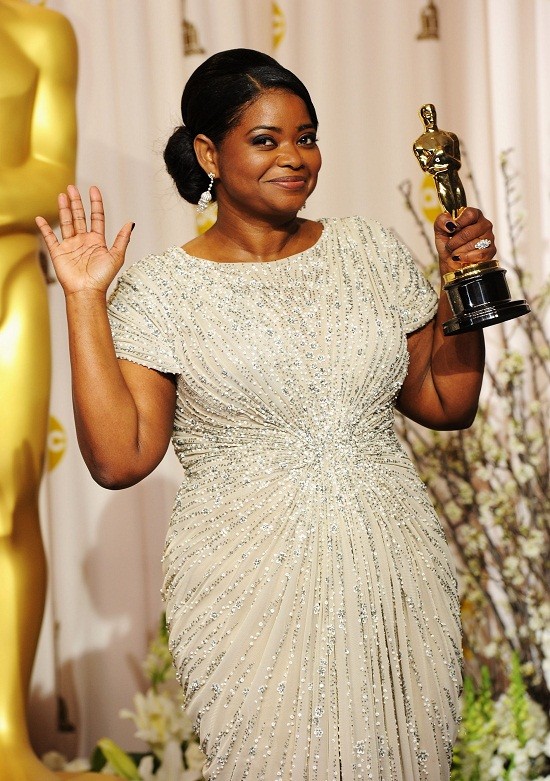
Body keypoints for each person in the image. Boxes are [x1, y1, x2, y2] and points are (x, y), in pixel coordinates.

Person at [36, 49, 496, 781]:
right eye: (267, 138)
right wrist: (85, 298)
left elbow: (446, 403)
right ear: (207, 152)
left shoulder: (367, 251)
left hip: (394, 570)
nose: (295, 157)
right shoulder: (162, 290)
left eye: (306, 137)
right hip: (249, 591)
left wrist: (459, 289)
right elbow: (120, 459)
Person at [0, 1, 79, 778]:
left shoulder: (39, 29)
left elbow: (53, 169)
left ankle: (7, 736)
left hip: (9, 280)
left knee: (8, 500)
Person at [413, 103, 466, 219]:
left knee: (463, 212)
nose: (431, 116)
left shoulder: (450, 137)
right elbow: (426, 168)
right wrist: (437, 155)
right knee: (450, 214)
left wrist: (445, 157)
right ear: (422, 117)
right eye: (427, 113)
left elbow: (458, 163)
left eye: (433, 113)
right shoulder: (420, 143)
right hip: (441, 179)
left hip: (454, 177)